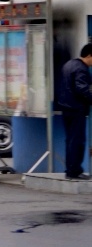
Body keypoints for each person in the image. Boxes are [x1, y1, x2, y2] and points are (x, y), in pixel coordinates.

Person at [55, 42, 92, 179]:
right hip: (77, 109)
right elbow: (81, 89)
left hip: (66, 108)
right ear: (89, 56)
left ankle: (70, 170)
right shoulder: (81, 69)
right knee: (77, 141)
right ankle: (74, 171)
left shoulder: (69, 64)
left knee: (70, 140)